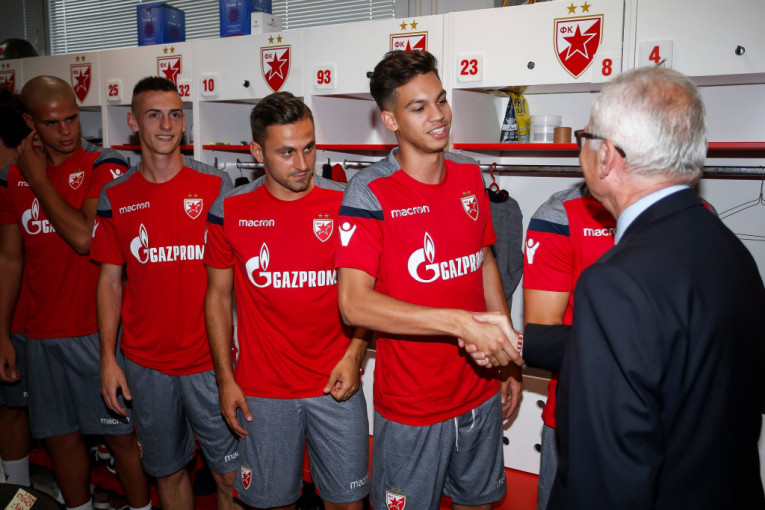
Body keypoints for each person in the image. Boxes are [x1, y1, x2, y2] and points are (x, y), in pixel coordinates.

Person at [497, 66, 765, 509]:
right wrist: (518, 343)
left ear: (606, 156)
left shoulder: (615, 281)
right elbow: (662, 351)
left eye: (585, 137)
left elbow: (607, 475)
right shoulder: (730, 249)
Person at [335, 50, 522, 510]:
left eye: (440, 100)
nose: (438, 115)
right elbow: (354, 304)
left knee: (479, 503)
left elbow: (483, 262)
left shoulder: (469, 172)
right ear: (390, 120)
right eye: (418, 107)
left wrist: (506, 359)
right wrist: (459, 323)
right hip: (413, 406)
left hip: (478, 389)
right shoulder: (369, 191)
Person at [205, 91, 370, 510]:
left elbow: (369, 292)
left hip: (336, 384)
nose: (302, 163)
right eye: (287, 152)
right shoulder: (230, 209)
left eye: (309, 147)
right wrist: (225, 379)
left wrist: (355, 353)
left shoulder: (348, 203)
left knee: (348, 503)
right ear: (257, 152)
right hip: (262, 389)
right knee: (269, 503)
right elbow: (217, 298)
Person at [0, 76, 150, 510]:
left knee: (120, 438)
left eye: (72, 118)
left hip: (95, 330)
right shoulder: (13, 177)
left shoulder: (103, 164)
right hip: (41, 332)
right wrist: (3, 333)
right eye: (52, 123)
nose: (66, 131)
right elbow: (10, 259)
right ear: (30, 122)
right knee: (60, 438)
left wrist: (39, 180)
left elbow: (85, 237)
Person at [92, 76, 239, 510]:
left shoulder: (216, 185)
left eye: (175, 114)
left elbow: (237, 278)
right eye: (154, 115)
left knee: (231, 478)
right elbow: (109, 281)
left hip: (209, 361)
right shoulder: (115, 195)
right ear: (133, 122)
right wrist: (107, 359)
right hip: (146, 365)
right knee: (169, 473)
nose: (167, 125)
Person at [521, 184, 615, 510]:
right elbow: (543, 336)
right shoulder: (560, 216)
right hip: (580, 417)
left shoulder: (693, 212)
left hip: (668, 422)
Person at [0, 87, 32, 487]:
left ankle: (20, 501)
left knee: (15, 412)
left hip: (22, 325)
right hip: (12, 327)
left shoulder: (20, 180)